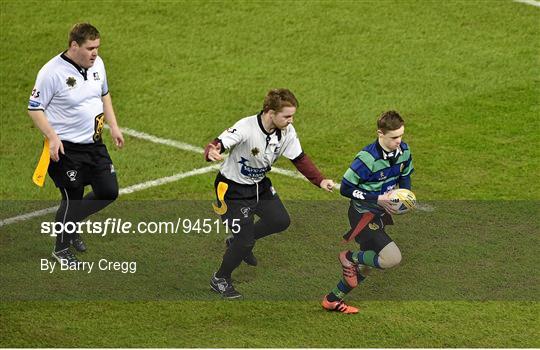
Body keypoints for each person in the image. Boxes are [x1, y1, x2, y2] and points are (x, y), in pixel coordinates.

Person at [205, 88, 335, 299]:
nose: (291, 120)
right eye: (287, 116)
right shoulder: (246, 127)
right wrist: (212, 151)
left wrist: (320, 181)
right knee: (245, 241)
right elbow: (218, 143)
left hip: (260, 186)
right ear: (270, 112)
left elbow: (299, 158)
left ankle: (236, 242)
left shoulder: (287, 132)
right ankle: (220, 278)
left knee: (280, 220)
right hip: (232, 190)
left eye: (292, 115)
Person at [28, 23, 124, 264]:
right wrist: (52, 137)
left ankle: (69, 226)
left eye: (98, 48)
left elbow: (104, 95)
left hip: (94, 144)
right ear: (74, 46)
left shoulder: (97, 65)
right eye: (90, 48)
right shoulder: (51, 72)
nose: (95, 53)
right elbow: (35, 108)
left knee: (108, 191)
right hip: (65, 149)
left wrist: (114, 126)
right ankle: (60, 249)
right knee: (73, 197)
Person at [321, 110, 414, 313]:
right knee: (391, 258)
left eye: (401, 135)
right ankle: (349, 256)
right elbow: (346, 188)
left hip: (380, 214)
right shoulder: (366, 159)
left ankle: (331, 300)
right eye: (394, 137)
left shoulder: (404, 152)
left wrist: (403, 195)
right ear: (380, 133)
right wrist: (378, 198)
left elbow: (405, 175)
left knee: (367, 267)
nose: (399, 141)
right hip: (363, 215)